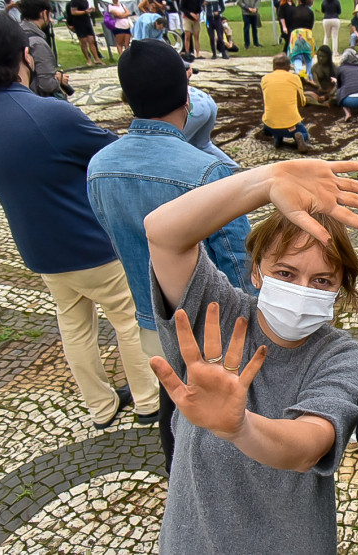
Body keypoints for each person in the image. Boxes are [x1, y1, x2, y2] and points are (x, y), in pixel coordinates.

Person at [142, 122, 358, 555]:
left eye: (322, 280)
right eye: (286, 274)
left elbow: (308, 446)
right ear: (256, 271)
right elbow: (162, 232)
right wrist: (268, 181)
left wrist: (240, 427)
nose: (303, 290)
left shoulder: (341, 356)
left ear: (340, 289)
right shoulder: (216, 311)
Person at [0, 12, 159, 430]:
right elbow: (114, 151)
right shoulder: (48, 113)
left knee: (75, 327)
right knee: (128, 318)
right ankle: (147, 400)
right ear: (25, 54)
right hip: (89, 244)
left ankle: (101, 407)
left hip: (38, 246)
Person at [88, 41, 250, 470]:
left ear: (126, 98)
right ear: (187, 94)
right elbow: (238, 266)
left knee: (171, 400)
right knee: (222, 413)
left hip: (149, 317)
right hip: (209, 325)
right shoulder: (210, 172)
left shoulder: (99, 166)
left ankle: (176, 473)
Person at [184, 63, 241, 168]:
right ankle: (232, 169)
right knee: (203, 144)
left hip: (192, 103)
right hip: (206, 100)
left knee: (175, 144)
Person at [18, 0, 68, 100]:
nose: (51, 20)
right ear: (44, 13)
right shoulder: (38, 43)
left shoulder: (16, 33)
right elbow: (47, 85)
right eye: (50, 15)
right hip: (38, 99)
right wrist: (58, 79)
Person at [261, 52, 311, 153]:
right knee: (304, 133)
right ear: (288, 66)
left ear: (274, 66)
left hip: (270, 125)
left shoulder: (264, 79)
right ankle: (299, 137)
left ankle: (277, 138)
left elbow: (268, 99)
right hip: (290, 126)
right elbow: (302, 102)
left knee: (273, 115)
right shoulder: (294, 78)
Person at [66, 0, 103, 66]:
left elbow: (86, 9)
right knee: (83, 42)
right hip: (78, 22)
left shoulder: (85, 1)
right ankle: (88, 59)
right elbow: (73, 12)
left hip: (86, 20)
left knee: (91, 40)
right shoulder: (74, 1)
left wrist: (91, 10)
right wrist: (85, 12)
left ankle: (97, 59)